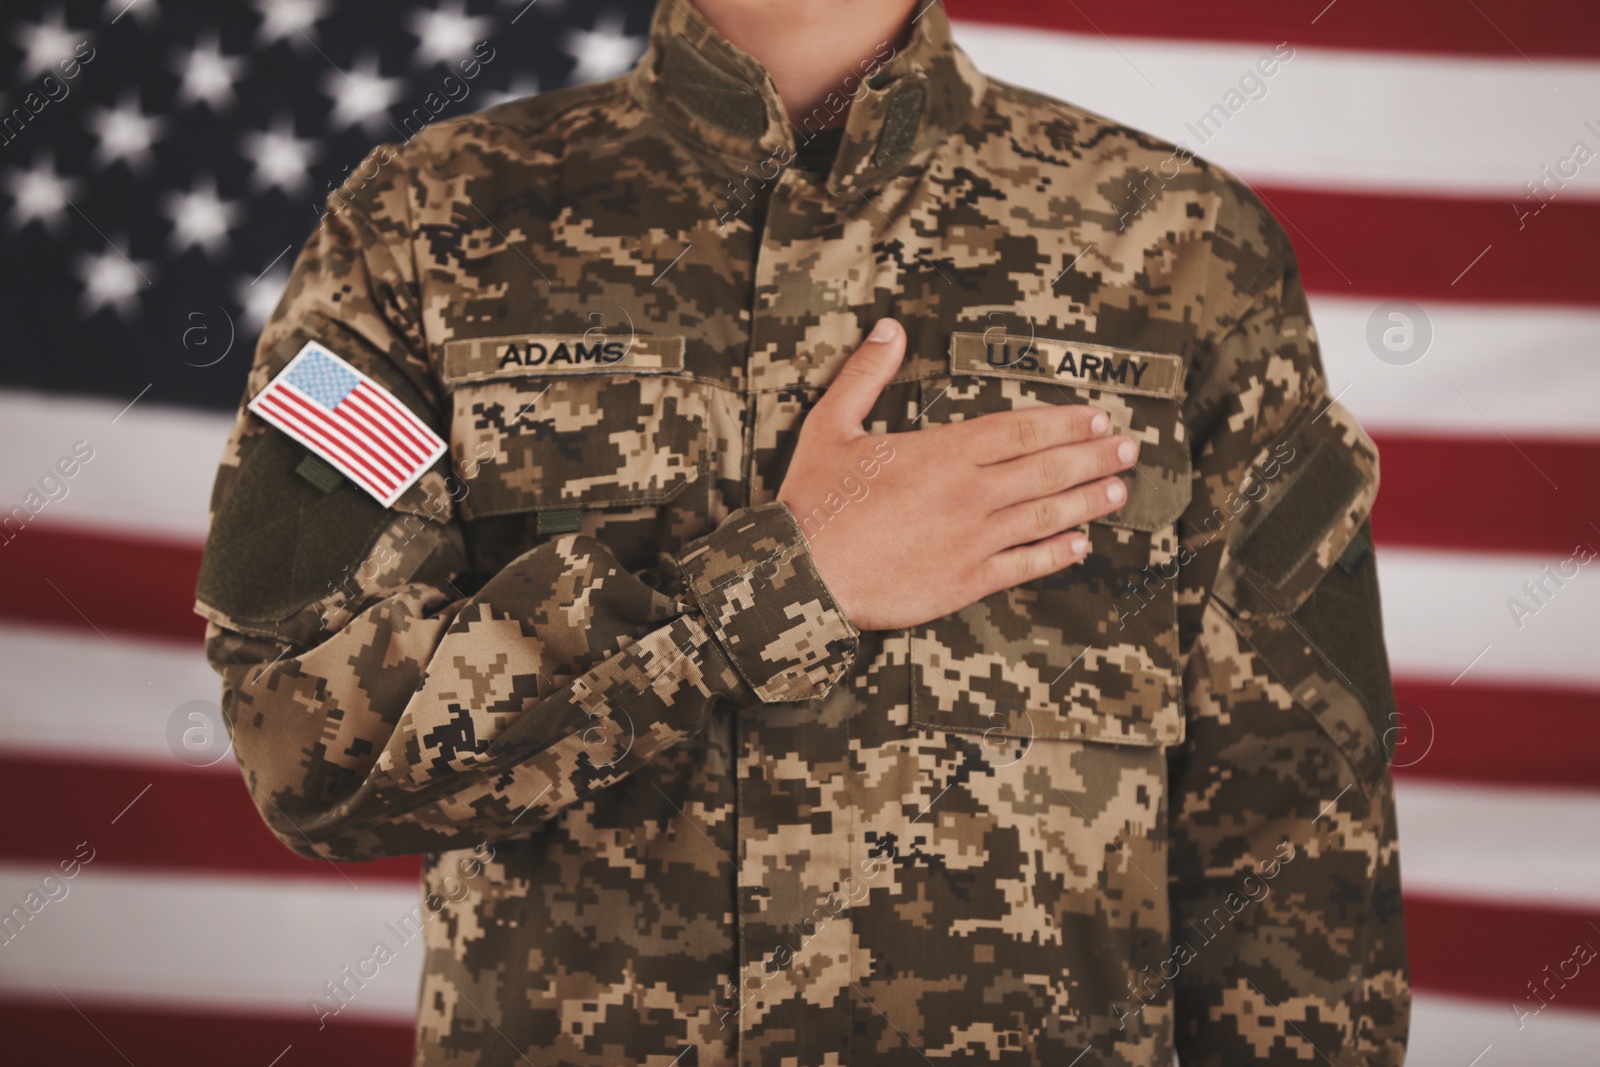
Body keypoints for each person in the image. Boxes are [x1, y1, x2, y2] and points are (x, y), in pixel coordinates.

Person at [193, 0, 1409, 1062]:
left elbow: (1294, 845)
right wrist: (778, 586)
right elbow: (306, 740)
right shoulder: (424, 222)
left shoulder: (1187, 250)